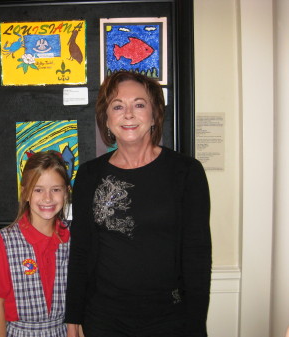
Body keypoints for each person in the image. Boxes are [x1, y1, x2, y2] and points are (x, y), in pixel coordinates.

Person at [65, 71, 212, 337]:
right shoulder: (89, 175)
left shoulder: (186, 172)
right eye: (118, 106)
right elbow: (81, 250)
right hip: (104, 319)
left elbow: (197, 255)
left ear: (155, 115)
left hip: (169, 319)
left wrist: (196, 324)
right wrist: (73, 314)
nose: (128, 114)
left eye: (139, 104)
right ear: (107, 119)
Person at [0, 150, 71, 337]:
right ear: (26, 193)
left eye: (56, 189)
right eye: (38, 189)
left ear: (65, 193)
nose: (47, 198)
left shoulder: (71, 240)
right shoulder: (5, 243)